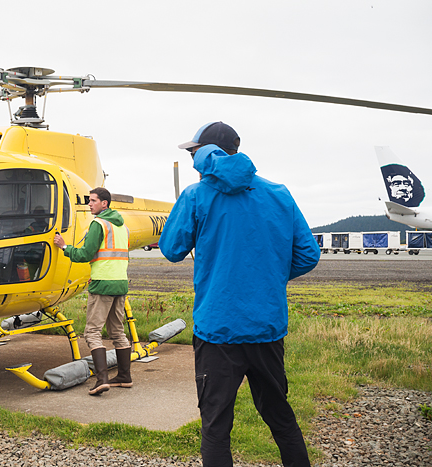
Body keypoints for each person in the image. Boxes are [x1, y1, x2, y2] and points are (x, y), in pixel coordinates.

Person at [159, 122, 320, 467]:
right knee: (281, 417)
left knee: (215, 427)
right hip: (267, 327)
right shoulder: (279, 193)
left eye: (192, 152)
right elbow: (308, 255)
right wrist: (269, 278)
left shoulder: (195, 195)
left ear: (206, 154)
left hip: (217, 330)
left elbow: (171, 249)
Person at [53, 187, 132, 396]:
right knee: (117, 332)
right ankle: (124, 376)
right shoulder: (122, 226)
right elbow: (115, 256)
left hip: (103, 285)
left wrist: (63, 247)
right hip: (120, 283)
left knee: (92, 332)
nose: (90, 204)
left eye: (93, 201)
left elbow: (85, 254)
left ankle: (102, 380)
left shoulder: (98, 224)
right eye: (89, 200)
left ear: (104, 203)